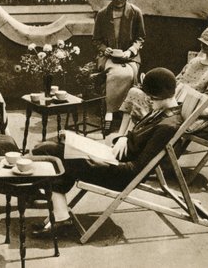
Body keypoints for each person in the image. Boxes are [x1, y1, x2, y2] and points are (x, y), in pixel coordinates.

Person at [31, 68, 182, 238]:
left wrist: (100, 160)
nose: (148, 100)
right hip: (111, 158)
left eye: (151, 97)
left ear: (161, 95)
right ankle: (60, 214)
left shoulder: (167, 126)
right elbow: (137, 137)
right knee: (57, 147)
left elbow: (136, 169)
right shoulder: (162, 113)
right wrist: (124, 138)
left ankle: (60, 216)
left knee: (49, 153)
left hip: (118, 174)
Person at [117, 26, 208, 136]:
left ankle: (131, 136)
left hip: (183, 106)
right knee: (135, 92)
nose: (202, 45)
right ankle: (122, 135)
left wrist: (182, 91)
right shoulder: (195, 61)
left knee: (142, 97)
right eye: (202, 42)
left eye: (207, 44)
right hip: (170, 95)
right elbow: (176, 80)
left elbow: (207, 98)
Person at [92, 0, 145, 134]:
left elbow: (140, 38)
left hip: (130, 56)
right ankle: (110, 113)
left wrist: (130, 51)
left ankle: (124, 116)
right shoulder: (102, 15)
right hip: (108, 57)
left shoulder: (136, 13)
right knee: (118, 73)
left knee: (129, 73)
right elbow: (96, 40)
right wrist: (105, 49)